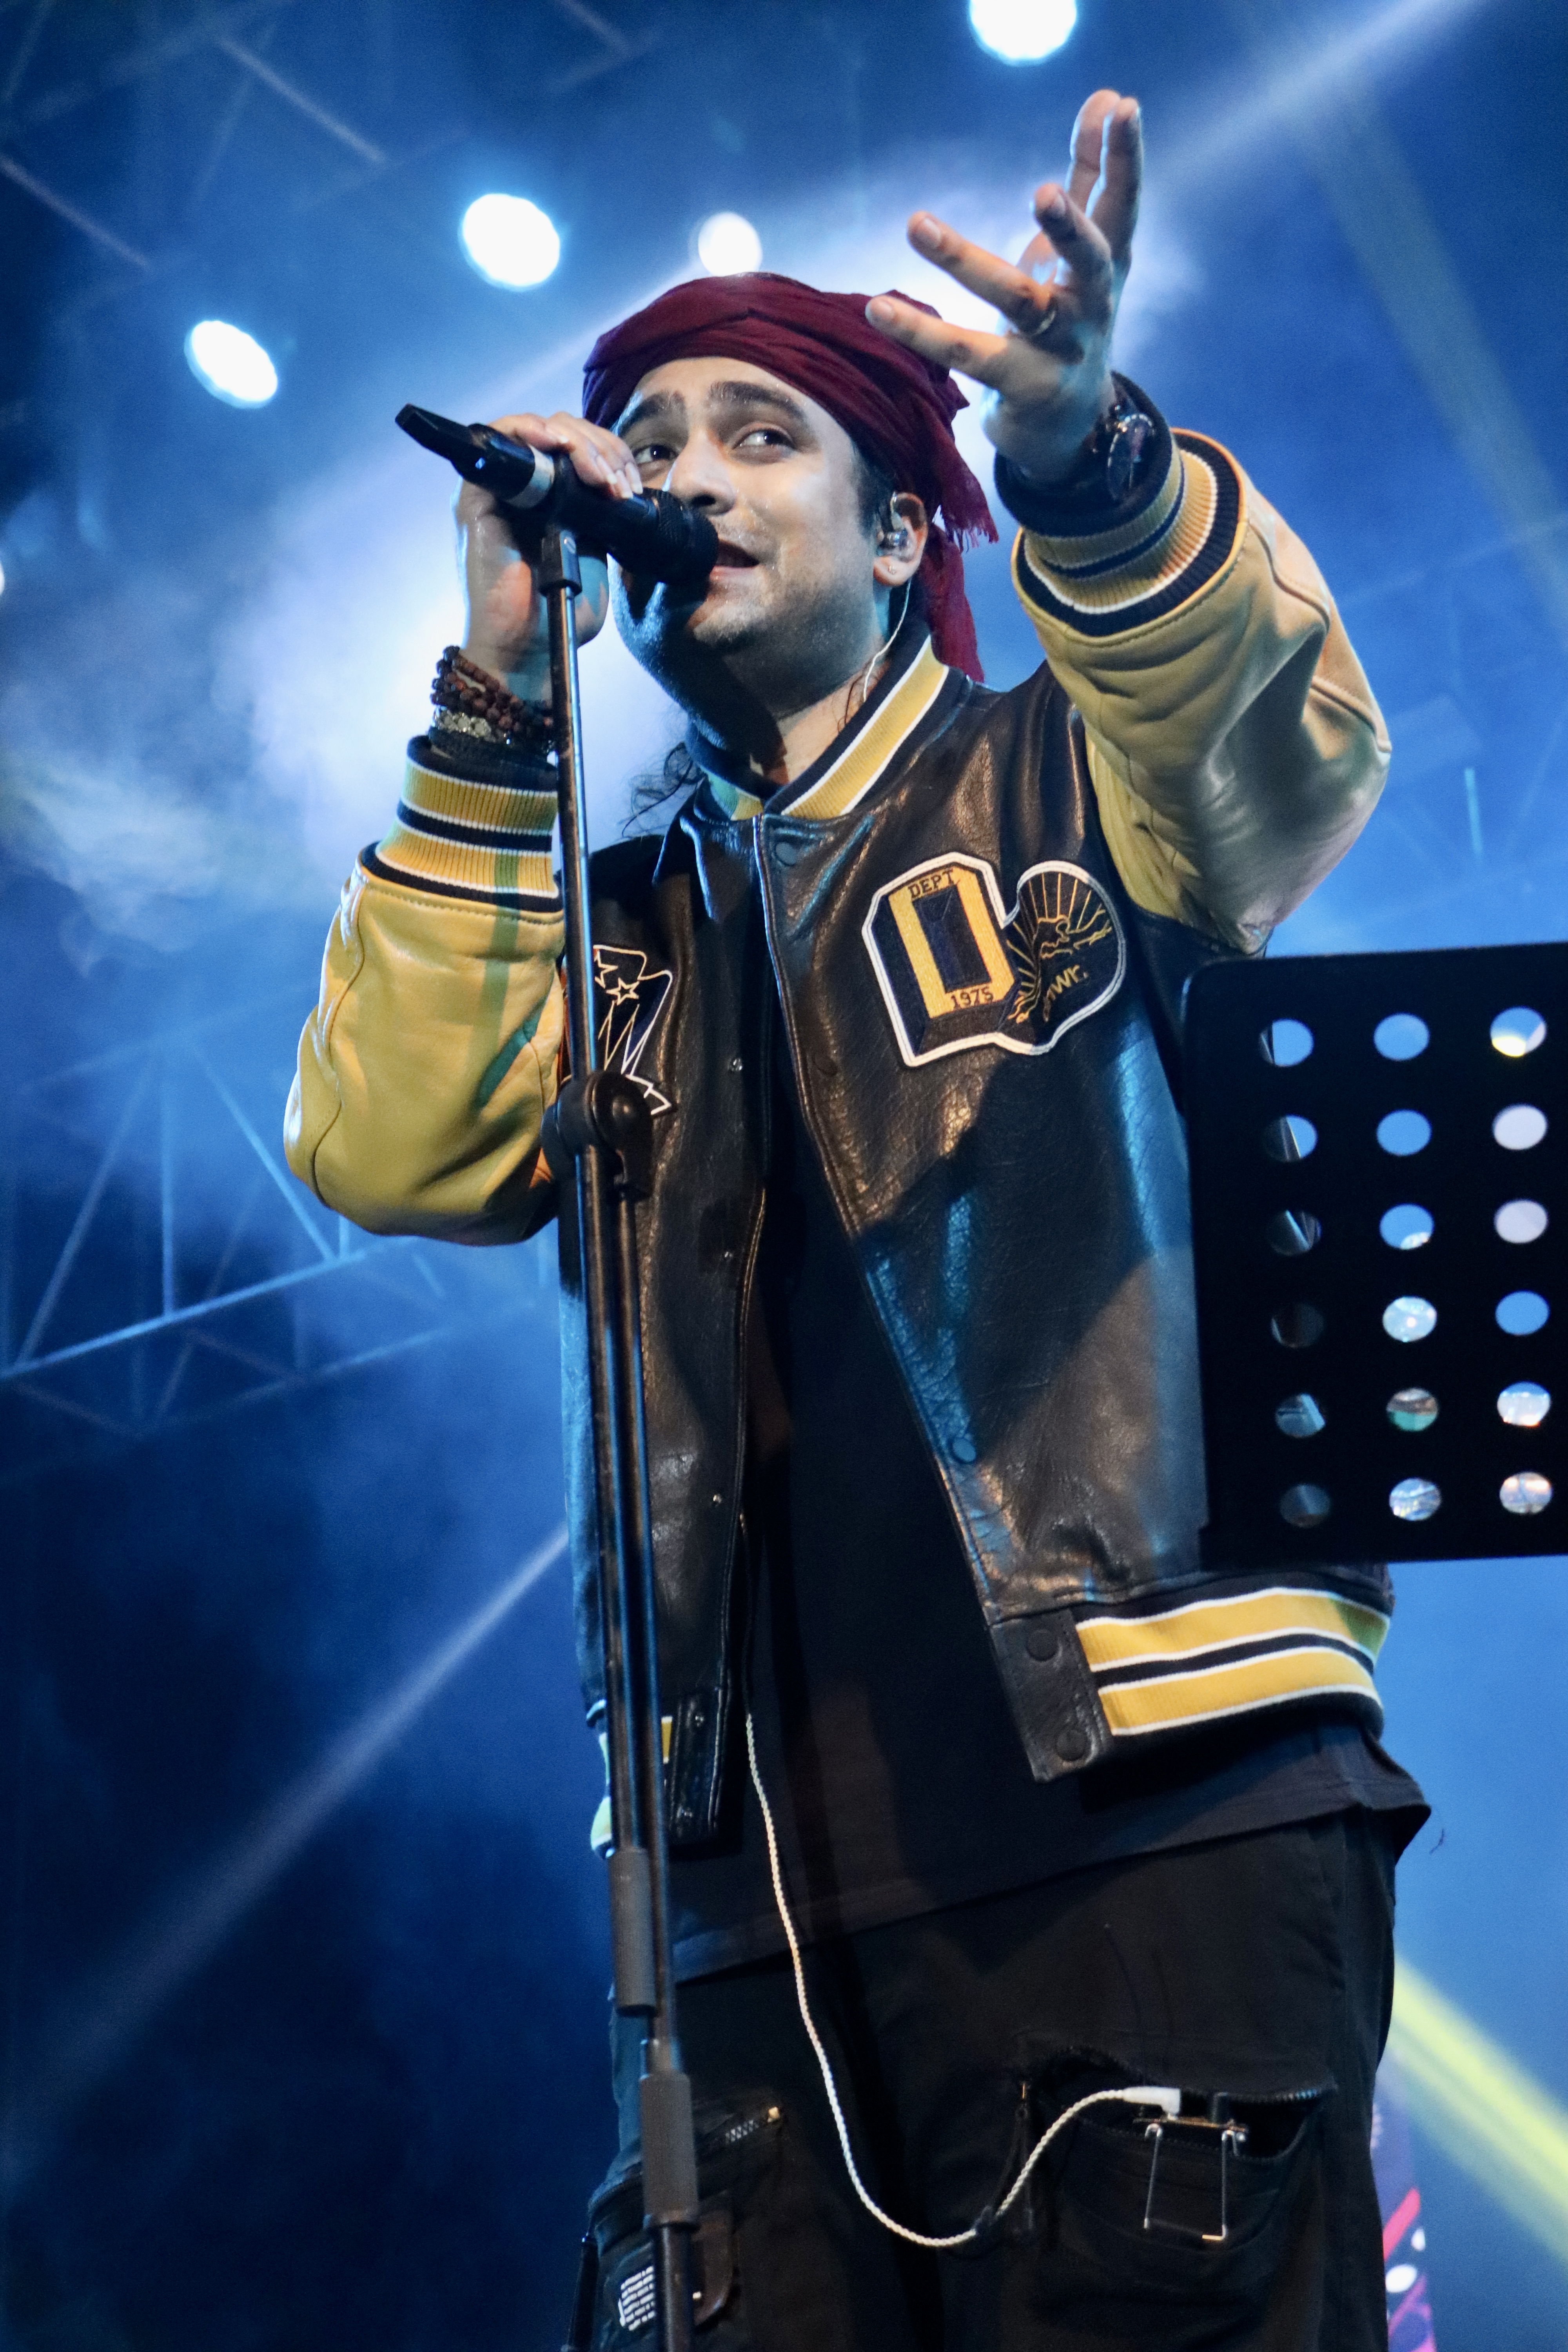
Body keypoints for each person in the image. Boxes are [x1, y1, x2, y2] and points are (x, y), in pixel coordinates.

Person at [287, 89, 1426, 2352]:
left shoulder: (1063, 778)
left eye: (755, 432)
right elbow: (390, 1149)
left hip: (1156, 1804)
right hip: (753, 1904)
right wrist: (500, 681)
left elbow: (1280, 755)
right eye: (648, 440)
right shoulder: (603, 922)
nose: (682, 472)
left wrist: (1094, 464)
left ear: (911, 523)